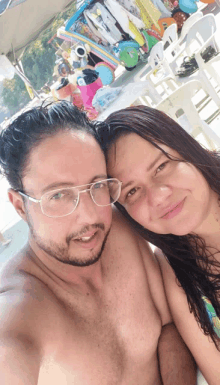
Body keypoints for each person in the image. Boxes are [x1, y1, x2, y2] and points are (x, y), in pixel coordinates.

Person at [0, 101, 196, 384]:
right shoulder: (19, 311)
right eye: (59, 195)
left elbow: (167, 327)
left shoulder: (119, 227)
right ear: (20, 206)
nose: (90, 216)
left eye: (98, 185)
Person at [97, 104, 220, 385]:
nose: (159, 196)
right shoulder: (177, 270)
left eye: (161, 167)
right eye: (132, 191)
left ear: (185, 148)